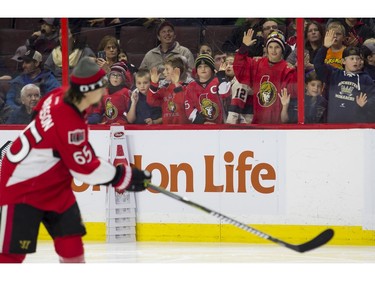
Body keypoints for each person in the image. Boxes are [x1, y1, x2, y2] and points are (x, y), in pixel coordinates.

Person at [0, 57, 151, 263]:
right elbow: (84, 169)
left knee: (71, 246)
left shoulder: (58, 95)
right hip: (22, 186)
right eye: (101, 87)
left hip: (53, 183)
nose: (105, 92)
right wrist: (122, 177)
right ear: (89, 90)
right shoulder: (68, 119)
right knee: (11, 256)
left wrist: (54, 148)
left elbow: (43, 119)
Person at [233, 29, 297, 124]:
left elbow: (293, 95)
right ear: (266, 49)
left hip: (279, 124)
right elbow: (240, 69)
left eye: (277, 47)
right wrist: (244, 48)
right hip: (258, 123)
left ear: (282, 49)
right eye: (270, 47)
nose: (273, 51)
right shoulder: (257, 64)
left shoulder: (288, 70)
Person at [314, 29, 375, 123]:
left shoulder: (365, 79)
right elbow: (318, 64)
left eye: (358, 58)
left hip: (356, 128)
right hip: (333, 126)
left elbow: (373, 98)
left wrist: (367, 105)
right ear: (343, 61)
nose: (355, 61)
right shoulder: (334, 74)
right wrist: (325, 47)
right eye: (352, 58)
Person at [184, 54, 231, 124]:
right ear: (196, 70)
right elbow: (189, 108)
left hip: (221, 126)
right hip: (201, 127)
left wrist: (222, 77)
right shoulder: (191, 86)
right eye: (199, 67)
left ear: (212, 69)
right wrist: (203, 122)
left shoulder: (218, 81)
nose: (203, 69)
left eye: (206, 66)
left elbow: (225, 95)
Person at [147, 56, 190, 124]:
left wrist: (176, 84)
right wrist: (154, 84)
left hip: (183, 129)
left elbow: (182, 103)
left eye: (167, 69)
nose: (164, 72)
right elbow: (151, 102)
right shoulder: (164, 89)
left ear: (176, 71)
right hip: (166, 129)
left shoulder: (186, 87)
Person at [224, 54, 253, 124]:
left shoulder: (240, 82)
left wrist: (228, 126)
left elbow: (235, 110)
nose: (228, 66)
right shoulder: (228, 82)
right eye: (226, 64)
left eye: (231, 63)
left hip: (244, 125)